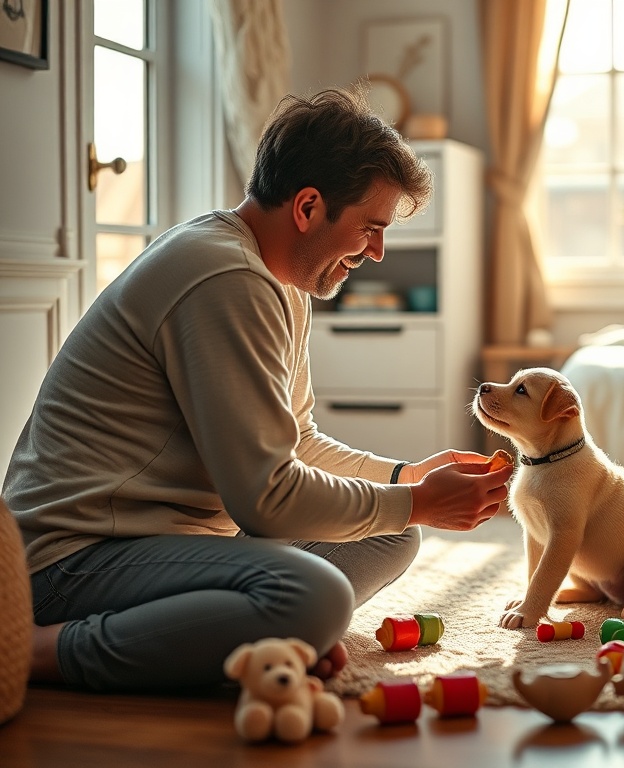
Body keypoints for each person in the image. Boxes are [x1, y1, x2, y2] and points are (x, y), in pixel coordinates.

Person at [1, 87, 514, 692]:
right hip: (73, 560)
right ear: (308, 207)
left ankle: (239, 636)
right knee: (316, 594)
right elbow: (265, 499)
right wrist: (420, 501)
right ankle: (40, 651)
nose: (376, 252)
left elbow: (297, 441)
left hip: (166, 540)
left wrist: (405, 478)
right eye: (370, 228)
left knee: (392, 531)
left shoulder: (282, 278)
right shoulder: (224, 276)